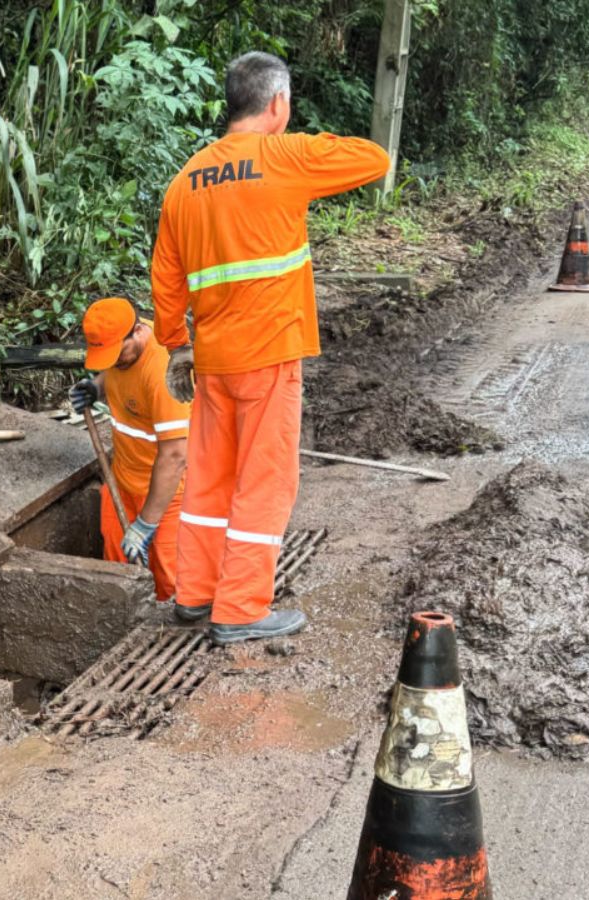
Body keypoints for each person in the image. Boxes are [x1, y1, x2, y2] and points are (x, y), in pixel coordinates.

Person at [150, 51, 389, 644]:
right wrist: (296, 143)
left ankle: (195, 595)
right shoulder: (286, 157)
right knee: (265, 482)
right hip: (269, 356)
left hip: (212, 363)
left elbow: (166, 281)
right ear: (277, 104)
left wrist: (177, 345)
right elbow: (375, 158)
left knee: (208, 481)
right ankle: (240, 609)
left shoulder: (185, 181)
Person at [69, 296, 190, 603]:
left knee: (172, 581)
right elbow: (115, 368)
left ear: (137, 331)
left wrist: (147, 523)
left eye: (115, 354)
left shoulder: (163, 372)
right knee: (117, 574)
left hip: (170, 491)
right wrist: (96, 387)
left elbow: (176, 456)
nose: (112, 362)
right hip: (123, 481)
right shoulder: (123, 350)